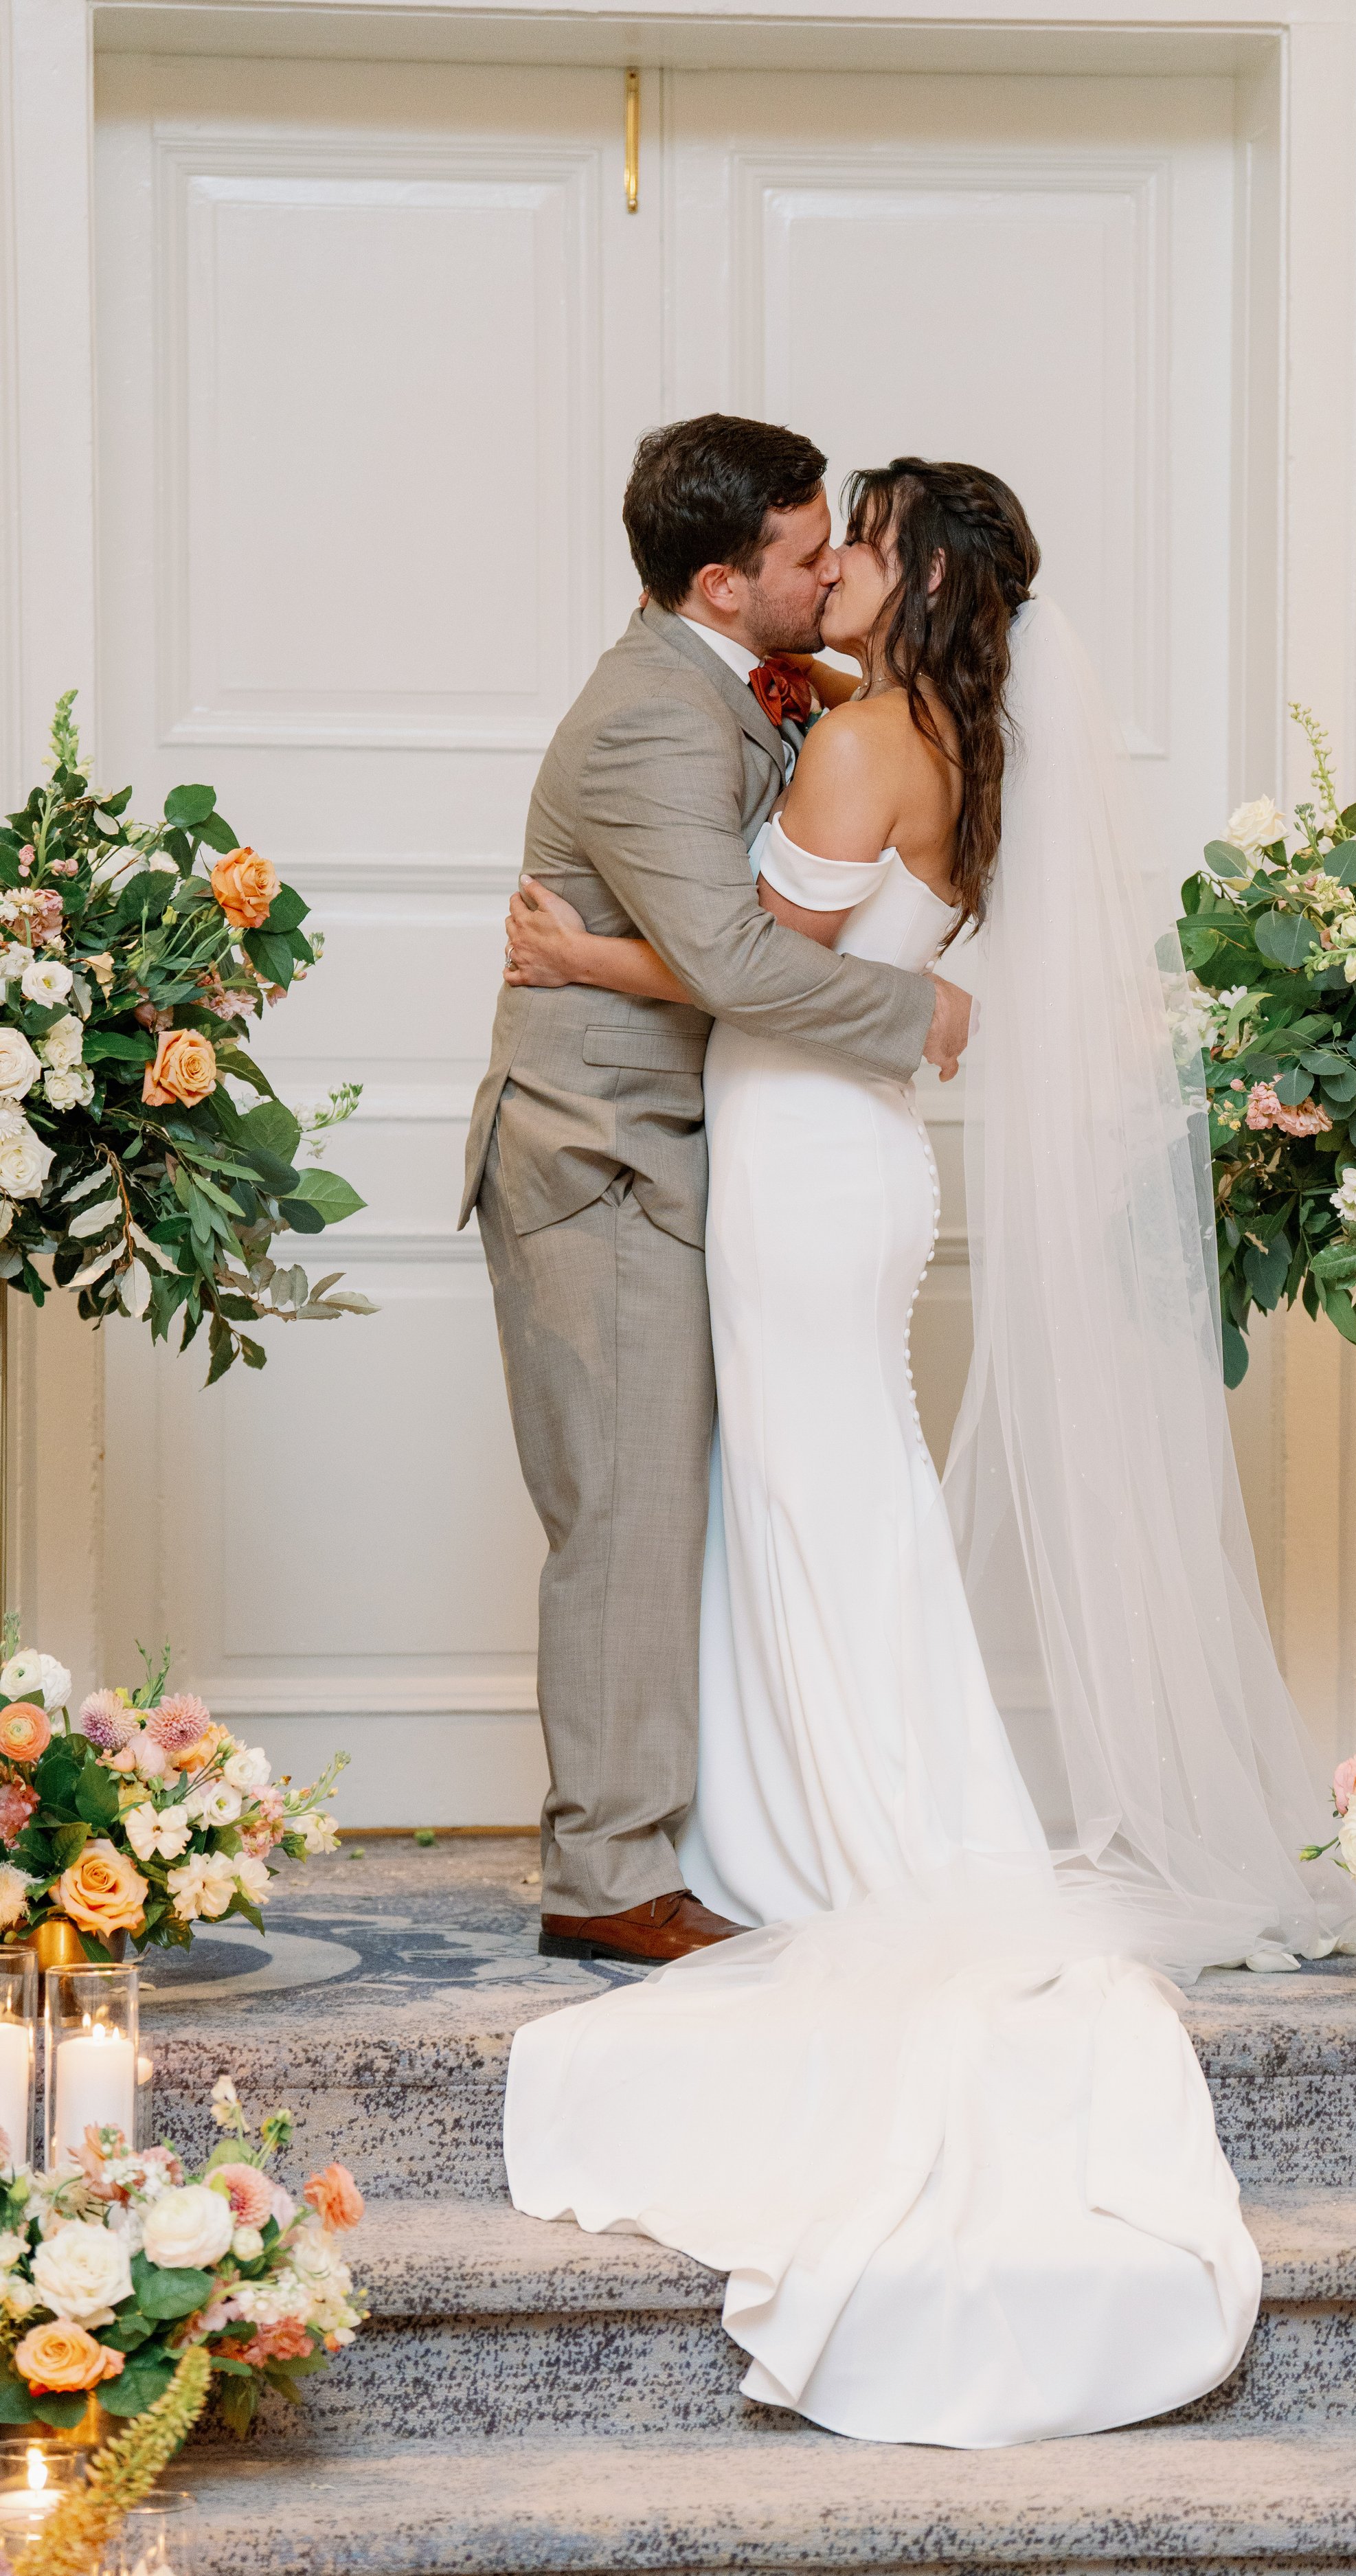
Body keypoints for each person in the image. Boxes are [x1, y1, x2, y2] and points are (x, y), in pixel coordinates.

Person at [501, 456, 1356, 2446]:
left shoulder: (853, 740)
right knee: (835, 1490)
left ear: (912, 578)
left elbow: (752, 971)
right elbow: (866, 970)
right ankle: (820, 1803)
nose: (838, 566)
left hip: (803, 1162)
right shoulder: (940, 736)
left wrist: (582, 961)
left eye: (863, 541)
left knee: (816, 1491)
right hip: (854, 1168)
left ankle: (846, 1830)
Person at [462, 417, 973, 1969]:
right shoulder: (650, 719)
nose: (826, 574)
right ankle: (607, 1878)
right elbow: (738, 959)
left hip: (681, 1150)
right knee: (619, 1517)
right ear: (715, 577)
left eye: (838, 548)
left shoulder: (753, 685)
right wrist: (921, 1018)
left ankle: (683, 1831)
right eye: (803, 556)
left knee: (670, 1510)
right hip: (601, 1155)